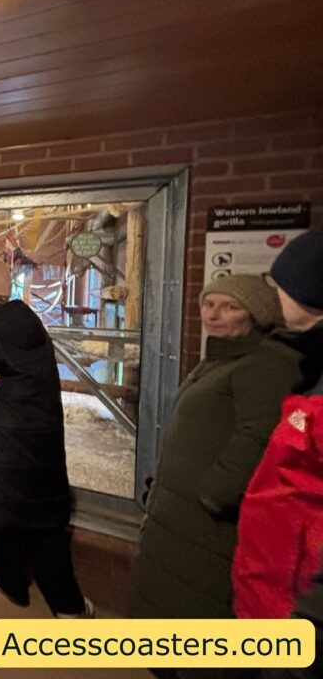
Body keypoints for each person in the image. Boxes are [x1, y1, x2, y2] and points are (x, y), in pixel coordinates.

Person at [127, 274, 299, 639]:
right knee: (171, 611)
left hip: (206, 522)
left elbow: (261, 435)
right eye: (208, 304)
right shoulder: (220, 360)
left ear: (256, 314)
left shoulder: (267, 364)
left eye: (230, 306)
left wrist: (214, 494)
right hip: (178, 513)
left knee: (199, 614)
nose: (214, 314)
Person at [0, 259, 93, 618]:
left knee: (7, 513)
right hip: (40, 436)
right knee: (45, 520)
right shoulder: (32, 322)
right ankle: (68, 605)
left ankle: (13, 583)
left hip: (1, 437)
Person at [233, 229, 323, 626]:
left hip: (296, 605)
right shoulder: (307, 364)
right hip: (277, 589)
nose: (275, 292)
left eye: (279, 282)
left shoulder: (287, 367)